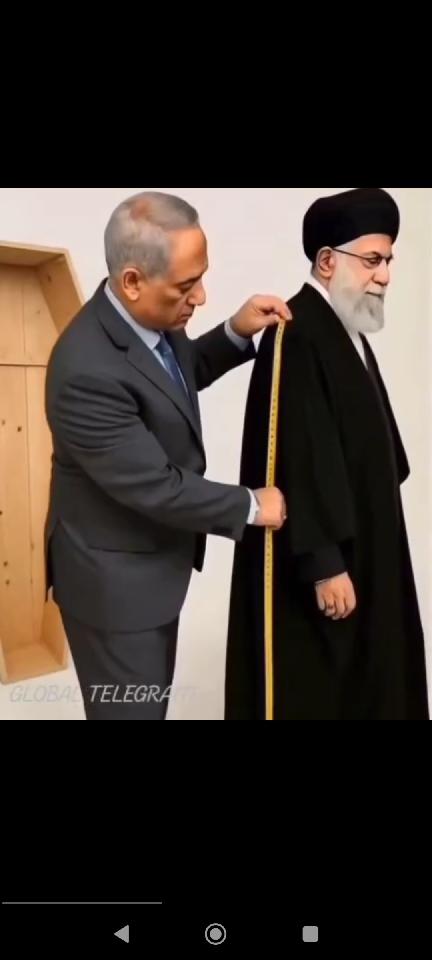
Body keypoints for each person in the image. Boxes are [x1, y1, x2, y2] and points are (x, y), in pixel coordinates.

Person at [44, 190, 290, 720]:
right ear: (133, 281)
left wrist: (234, 334)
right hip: (115, 590)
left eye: (202, 277)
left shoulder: (153, 321)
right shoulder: (84, 371)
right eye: (186, 285)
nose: (200, 296)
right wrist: (250, 505)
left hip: (153, 570)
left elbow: (169, 384)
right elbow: (155, 484)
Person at [225, 187, 429, 721]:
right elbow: (298, 455)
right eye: (372, 260)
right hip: (331, 560)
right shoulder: (298, 332)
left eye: (388, 261)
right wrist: (324, 565)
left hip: (369, 542)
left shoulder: (345, 327)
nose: (384, 275)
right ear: (326, 260)